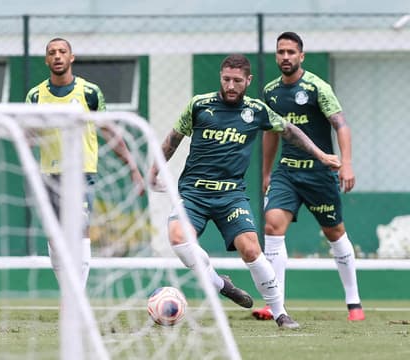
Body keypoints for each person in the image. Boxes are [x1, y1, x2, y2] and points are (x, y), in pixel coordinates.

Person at [150, 54, 342, 329]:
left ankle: (280, 313)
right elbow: (172, 141)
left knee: (250, 249)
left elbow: (289, 131)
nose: (230, 85)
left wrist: (321, 155)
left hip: (231, 196)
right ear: (221, 77)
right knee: (179, 240)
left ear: (247, 81)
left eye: (237, 81)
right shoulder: (199, 105)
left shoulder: (257, 110)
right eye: (226, 79)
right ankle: (220, 284)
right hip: (194, 193)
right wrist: (153, 172)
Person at [251, 31, 365, 322]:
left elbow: (341, 125)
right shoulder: (270, 92)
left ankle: (354, 302)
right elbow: (271, 133)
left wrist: (347, 163)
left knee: (334, 233)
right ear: (276, 56)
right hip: (287, 172)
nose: (285, 57)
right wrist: (266, 172)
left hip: (320, 175)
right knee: (273, 225)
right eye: (281, 52)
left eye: (291, 52)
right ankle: (276, 305)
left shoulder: (317, 87)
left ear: (301, 56)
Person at [25, 37, 145, 289]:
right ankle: (68, 293)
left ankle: (75, 298)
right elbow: (28, 137)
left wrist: (133, 167)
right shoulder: (35, 96)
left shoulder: (89, 93)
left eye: (62, 51)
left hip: (82, 173)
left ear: (72, 57)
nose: (57, 56)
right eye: (52, 52)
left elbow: (109, 131)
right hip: (50, 174)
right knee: (55, 238)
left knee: (79, 231)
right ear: (46, 60)